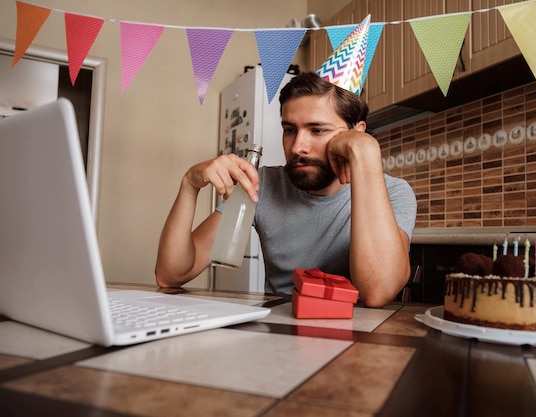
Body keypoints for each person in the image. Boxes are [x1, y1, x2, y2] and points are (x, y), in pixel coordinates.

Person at [155, 71, 417, 307]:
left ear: (356, 133)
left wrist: (366, 151)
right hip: (280, 331)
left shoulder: (394, 193)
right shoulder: (263, 184)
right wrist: (189, 184)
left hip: (360, 339)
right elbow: (171, 275)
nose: (297, 147)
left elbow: (377, 292)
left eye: (317, 130)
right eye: (290, 130)